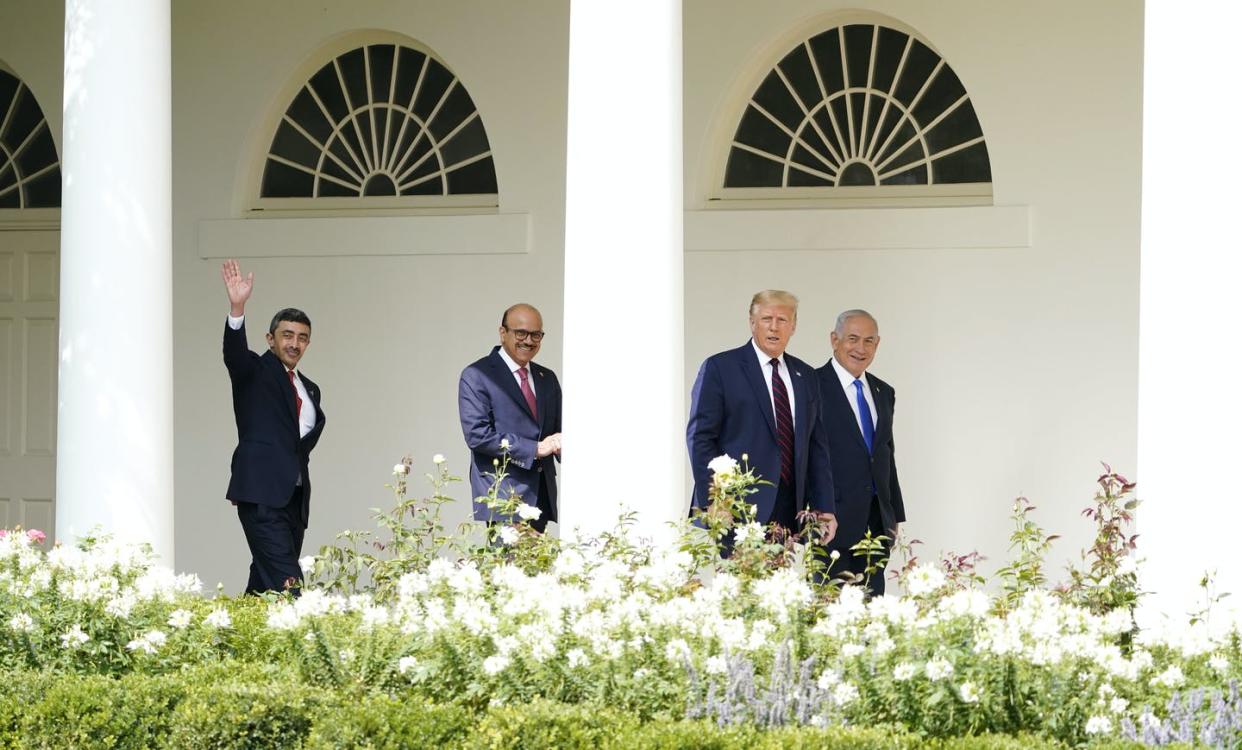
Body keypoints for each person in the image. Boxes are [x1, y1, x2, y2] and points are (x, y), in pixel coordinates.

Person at [687, 290, 837, 542]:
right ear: (752, 322)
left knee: (782, 582)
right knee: (738, 582)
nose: (774, 327)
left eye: (783, 320)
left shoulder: (806, 376)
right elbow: (700, 438)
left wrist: (825, 508)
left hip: (789, 510)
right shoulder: (721, 368)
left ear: (794, 326)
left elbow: (816, 446)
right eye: (767, 319)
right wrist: (715, 500)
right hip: (735, 509)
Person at [220, 259, 326, 594]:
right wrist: (237, 308)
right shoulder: (255, 372)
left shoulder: (309, 389)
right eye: (287, 335)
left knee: (265, 586)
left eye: (303, 338)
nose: (295, 344)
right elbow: (234, 355)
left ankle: (232, 642)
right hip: (261, 495)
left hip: (294, 500)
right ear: (270, 339)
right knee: (290, 585)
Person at [817, 309, 905, 596]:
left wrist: (895, 517)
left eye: (869, 341)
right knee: (830, 612)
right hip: (831, 523)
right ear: (834, 340)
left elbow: (885, 455)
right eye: (852, 339)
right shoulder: (812, 386)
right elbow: (804, 457)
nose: (860, 348)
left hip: (877, 523)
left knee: (871, 614)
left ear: (877, 344)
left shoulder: (883, 391)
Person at [458, 304, 562, 531]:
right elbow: (478, 435)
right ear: (503, 332)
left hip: (541, 494)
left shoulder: (547, 378)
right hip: (503, 494)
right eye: (521, 333)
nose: (529, 341)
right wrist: (534, 448)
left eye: (536, 334)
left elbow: (559, 430)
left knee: (537, 565)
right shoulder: (477, 375)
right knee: (507, 566)